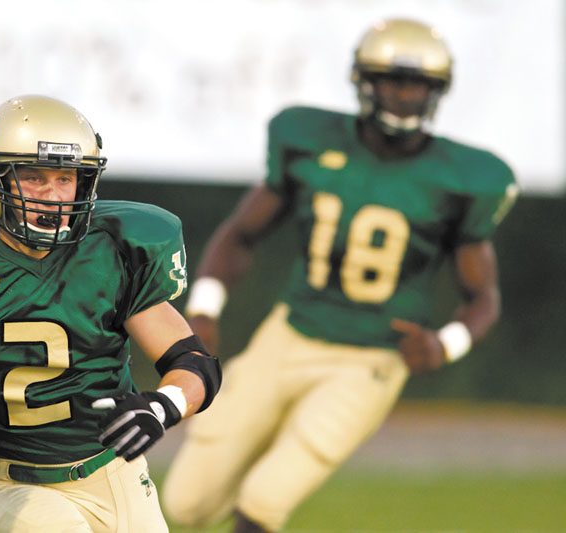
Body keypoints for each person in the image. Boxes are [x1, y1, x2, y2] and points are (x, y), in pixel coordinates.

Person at [162, 18, 518, 533]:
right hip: (290, 332)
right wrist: (205, 308)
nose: (404, 94)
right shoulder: (307, 138)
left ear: (437, 92)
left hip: (372, 355)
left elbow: (483, 295)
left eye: (418, 84)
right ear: (363, 81)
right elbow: (241, 234)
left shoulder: (464, 179)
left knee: (264, 499)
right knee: (187, 503)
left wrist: (447, 344)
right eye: (393, 79)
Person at [0, 95, 221, 532]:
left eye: (65, 179)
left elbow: (193, 363)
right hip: (9, 483)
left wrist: (162, 407)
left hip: (116, 472)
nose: (52, 196)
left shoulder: (115, 249)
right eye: (33, 178)